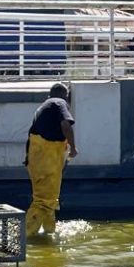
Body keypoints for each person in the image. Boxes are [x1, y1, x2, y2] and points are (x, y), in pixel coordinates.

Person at [23, 83, 78, 236]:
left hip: (37, 157)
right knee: (44, 201)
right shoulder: (59, 102)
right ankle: (25, 237)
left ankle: (48, 233)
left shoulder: (44, 106)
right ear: (65, 96)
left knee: (49, 198)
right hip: (46, 157)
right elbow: (66, 125)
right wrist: (73, 148)